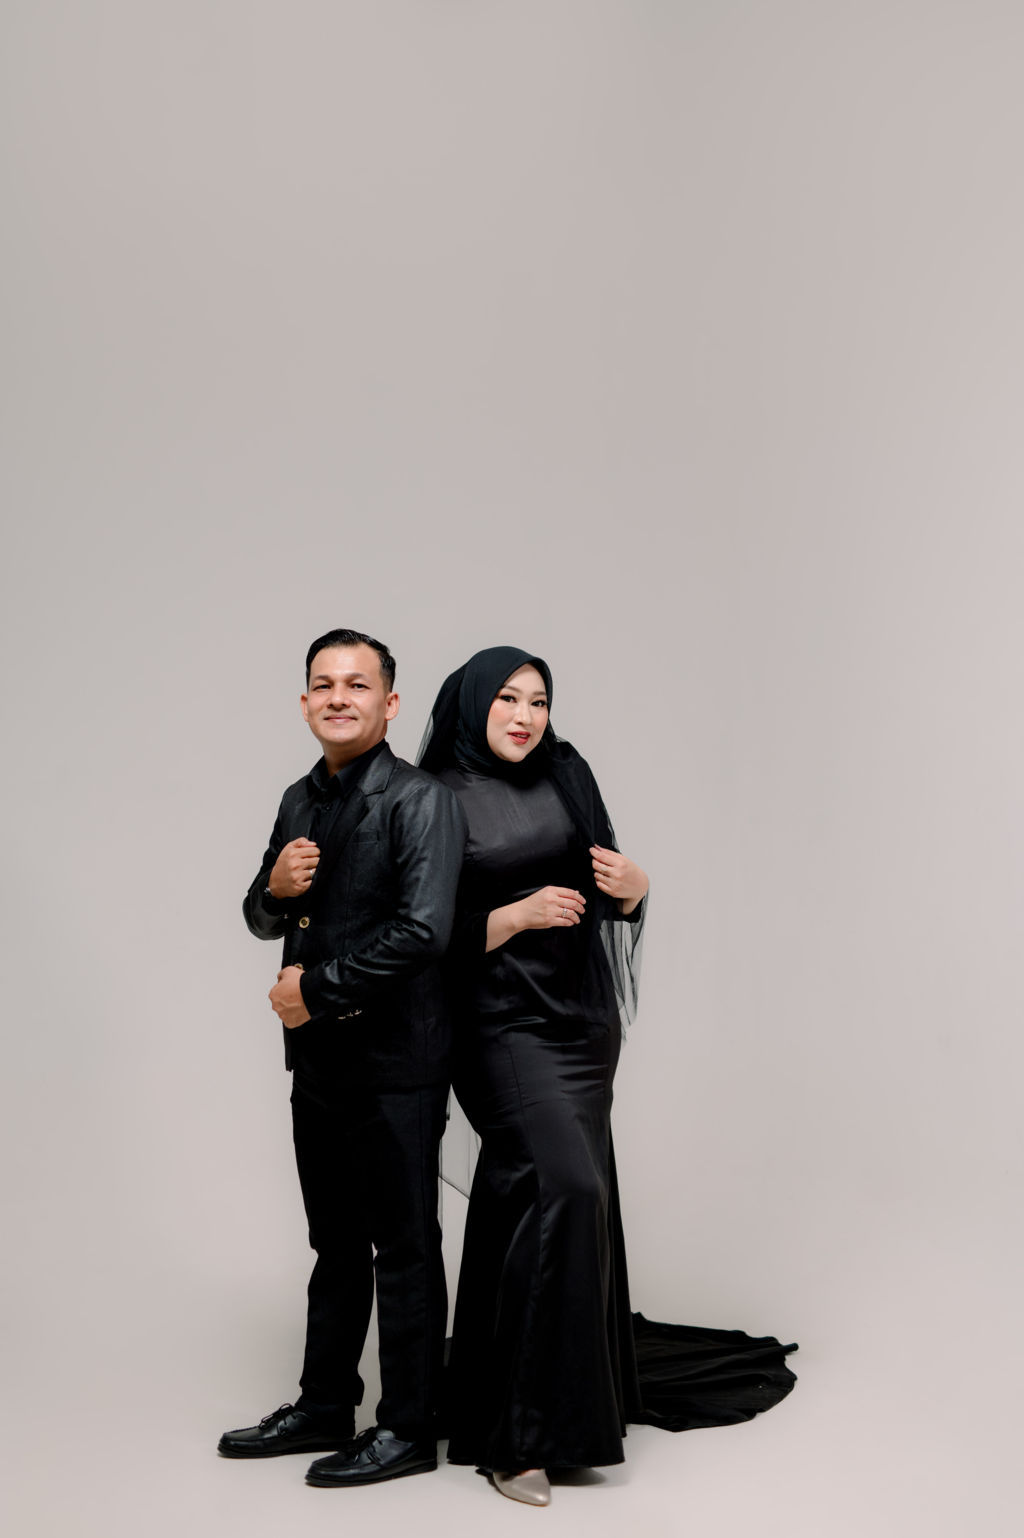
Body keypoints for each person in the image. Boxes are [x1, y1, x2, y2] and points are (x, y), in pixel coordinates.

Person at [419, 646, 797, 1508]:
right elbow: (421, 935)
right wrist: (513, 916)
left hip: (581, 1025)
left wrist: (635, 886)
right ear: (472, 704)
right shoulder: (433, 796)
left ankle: (520, 1392)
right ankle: (519, 1438)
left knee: (537, 1199)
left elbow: (609, 884)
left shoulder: (567, 772)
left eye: (539, 700)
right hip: (498, 1028)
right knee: (567, 1187)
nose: (525, 716)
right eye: (507, 698)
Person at [218, 628, 467, 1490]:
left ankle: (408, 1428)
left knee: (404, 1245)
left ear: (389, 703)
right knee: (333, 1243)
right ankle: (325, 1405)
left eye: (357, 685)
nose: (338, 697)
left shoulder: (421, 799)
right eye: (323, 684)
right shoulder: (298, 798)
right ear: (304, 703)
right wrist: (274, 889)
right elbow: (259, 915)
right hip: (320, 1061)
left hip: (398, 1059)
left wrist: (314, 990)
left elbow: (425, 931)